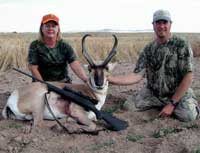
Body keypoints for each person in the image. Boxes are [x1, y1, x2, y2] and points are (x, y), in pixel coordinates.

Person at [108, 9, 199, 122]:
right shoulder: (148, 49)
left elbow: (188, 77)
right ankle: (159, 104)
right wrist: (110, 78)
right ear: (153, 25)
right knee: (129, 106)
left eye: (165, 22)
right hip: (154, 94)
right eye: (158, 22)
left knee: (188, 116)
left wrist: (172, 104)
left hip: (176, 94)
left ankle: (189, 102)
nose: (161, 26)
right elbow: (136, 75)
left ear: (170, 24)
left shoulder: (181, 44)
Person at [28, 13, 88, 83]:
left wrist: (86, 80)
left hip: (63, 83)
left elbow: (74, 64)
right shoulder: (35, 45)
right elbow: (33, 68)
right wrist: (43, 84)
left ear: (58, 29)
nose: (50, 28)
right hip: (42, 83)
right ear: (42, 28)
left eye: (53, 26)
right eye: (47, 26)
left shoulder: (65, 45)